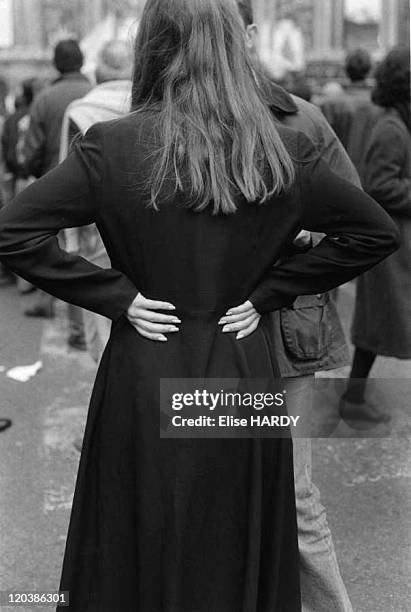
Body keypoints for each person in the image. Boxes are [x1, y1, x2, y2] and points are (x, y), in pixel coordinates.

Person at [0, 0, 399, 609]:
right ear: (234, 48)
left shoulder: (113, 147)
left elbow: (13, 230)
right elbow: (374, 232)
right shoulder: (283, 150)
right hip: (242, 361)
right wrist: (273, 290)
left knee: (144, 532)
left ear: (151, 48)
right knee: (237, 533)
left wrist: (115, 296)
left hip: (148, 357)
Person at [237, 2, 359, 610]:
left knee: (292, 489)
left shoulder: (302, 119)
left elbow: (358, 223)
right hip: (207, 332)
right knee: (221, 486)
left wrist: (295, 252)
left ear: (251, 35)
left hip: (285, 332)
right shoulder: (173, 118)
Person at [341, 47, 411, 423]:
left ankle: (353, 397)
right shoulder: (390, 127)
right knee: (375, 330)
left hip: (399, 247)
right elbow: (380, 185)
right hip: (394, 249)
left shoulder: (398, 122)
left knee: (376, 329)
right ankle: (352, 398)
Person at [60, 39, 133, 354]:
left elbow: (67, 183)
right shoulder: (152, 102)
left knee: (101, 320)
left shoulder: (81, 110)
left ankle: (108, 388)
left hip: (96, 229)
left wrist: (71, 243)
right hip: (149, 226)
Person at [22, 39, 91, 319]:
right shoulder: (93, 92)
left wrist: (36, 172)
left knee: (61, 253)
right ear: (82, 61)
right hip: (93, 183)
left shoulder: (45, 98)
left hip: (54, 182)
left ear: (55, 63)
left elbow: (32, 150)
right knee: (88, 255)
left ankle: (71, 325)